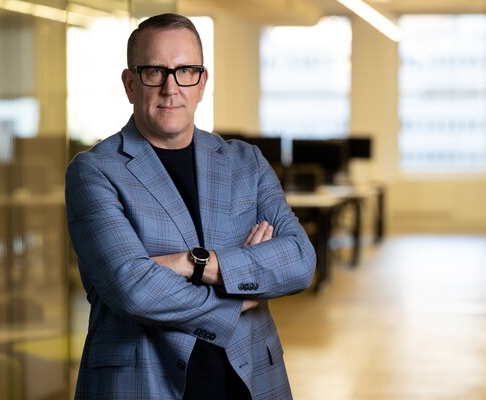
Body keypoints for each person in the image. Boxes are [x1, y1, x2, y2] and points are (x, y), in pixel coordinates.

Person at [65, 13, 316, 400]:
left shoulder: (246, 162)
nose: (171, 88)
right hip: (143, 384)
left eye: (185, 71)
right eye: (154, 71)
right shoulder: (94, 171)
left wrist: (191, 263)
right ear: (130, 83)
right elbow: (132, 289)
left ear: (202, 82)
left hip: (250, 381)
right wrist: (241, 290)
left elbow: (299, 260)